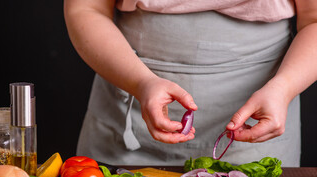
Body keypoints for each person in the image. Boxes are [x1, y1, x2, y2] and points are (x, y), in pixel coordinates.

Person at [64, 0, 317, 167]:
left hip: (255, 129)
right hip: (128, 123)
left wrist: (283, 88)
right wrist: (141, 83)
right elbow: (86, 8)